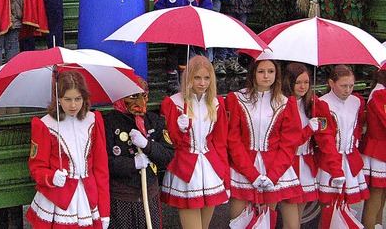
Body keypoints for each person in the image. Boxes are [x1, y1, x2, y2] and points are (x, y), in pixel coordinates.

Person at [26, 71, 110, 228]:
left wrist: (104, 210)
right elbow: (36, 167)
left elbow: (101, 169)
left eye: (78, 99)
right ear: (58, 99)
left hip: (88, 197)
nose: (73, 105)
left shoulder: (93, 120)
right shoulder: (45, 125)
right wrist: (51, 177)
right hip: (57, 200)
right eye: (67, 99)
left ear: (84, 98)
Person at [225, 60, 302, 220]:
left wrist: (273, 175)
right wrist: (251, 174)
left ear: (277, 74)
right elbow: (233, 140)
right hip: (242, 168)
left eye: (271, 71)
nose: (266, 76)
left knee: (265, 222)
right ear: (253, 73)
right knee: (238, 221)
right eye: (261, 71)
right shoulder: (237, 99)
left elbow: (289, 144)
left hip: (273, 168)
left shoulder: (285, 103)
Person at [160, 55, 228, 229]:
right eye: (197, 77)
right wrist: (177, 128)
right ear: (188, 77)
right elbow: (168, 143)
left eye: (207, 78)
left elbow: (220, 142)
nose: (202, 83)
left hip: (210, 169)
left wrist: (224, 176)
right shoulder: (173, 103)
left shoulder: (216, 103)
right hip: (185, 170)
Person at [103, 76, 175, 229]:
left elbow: (168, 156)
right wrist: (132, 164)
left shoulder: (154, 121)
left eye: (144, 95)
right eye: (133, 96)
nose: (140, 103)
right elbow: (104, 161)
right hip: (122, 197)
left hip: (149, 195)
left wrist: (148, 146)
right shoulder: (109, 122)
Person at [278, 63, 343, 229]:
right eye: (298, 82)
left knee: (297, 223)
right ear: (288, 82)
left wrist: (336, 170)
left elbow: (326, 139)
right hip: (287, 166)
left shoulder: (315, 105)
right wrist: (308, 130)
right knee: (291, 225)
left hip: (307, 165)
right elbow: (288, 142)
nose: (303, 86)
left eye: (306, 82)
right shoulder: (280, 104)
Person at [317, 64, 369, 204]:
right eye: (343, 86)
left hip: (350, 158)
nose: (347, 90)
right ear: (331, 83)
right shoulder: (323, 103)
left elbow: (358, 127)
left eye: (351, 86)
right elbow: (324, 138)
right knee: (329, 206)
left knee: (348, 207)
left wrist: (353, 143)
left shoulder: (356, 101)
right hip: (329, 160)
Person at [361, 69, 386, 228]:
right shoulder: (380, 94)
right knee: (375, 199)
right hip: (378, 151)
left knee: (381, 198)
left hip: (381, 150)